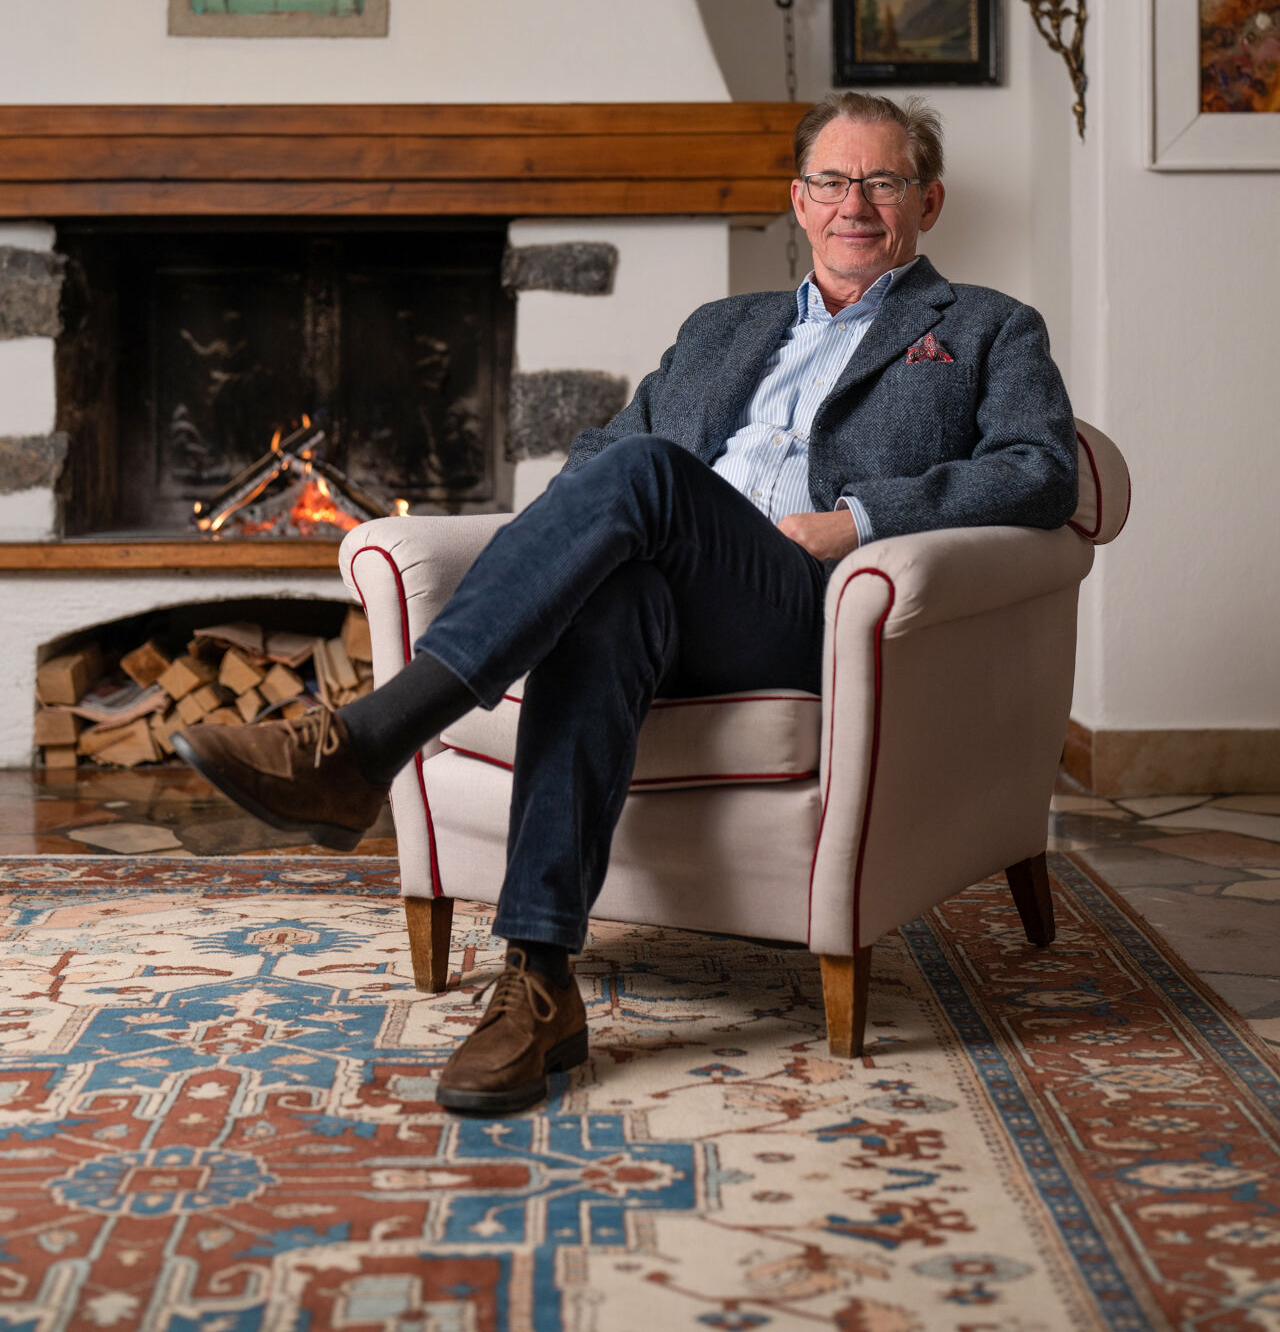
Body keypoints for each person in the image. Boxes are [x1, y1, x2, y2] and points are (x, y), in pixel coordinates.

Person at [173, 91, 1077, 1116]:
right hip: (670, 601)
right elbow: (600, 459)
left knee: (648, 474)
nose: (853, 204)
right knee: (609, 597)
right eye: (831, 181)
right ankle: (539, 983)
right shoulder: (720, 329)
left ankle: (369, 741)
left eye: (881, 182)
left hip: (811, 611)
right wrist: (555, 574)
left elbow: (1040, 472)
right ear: (797, 201)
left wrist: (859, 520)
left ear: (928, 200)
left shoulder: (987, 327)